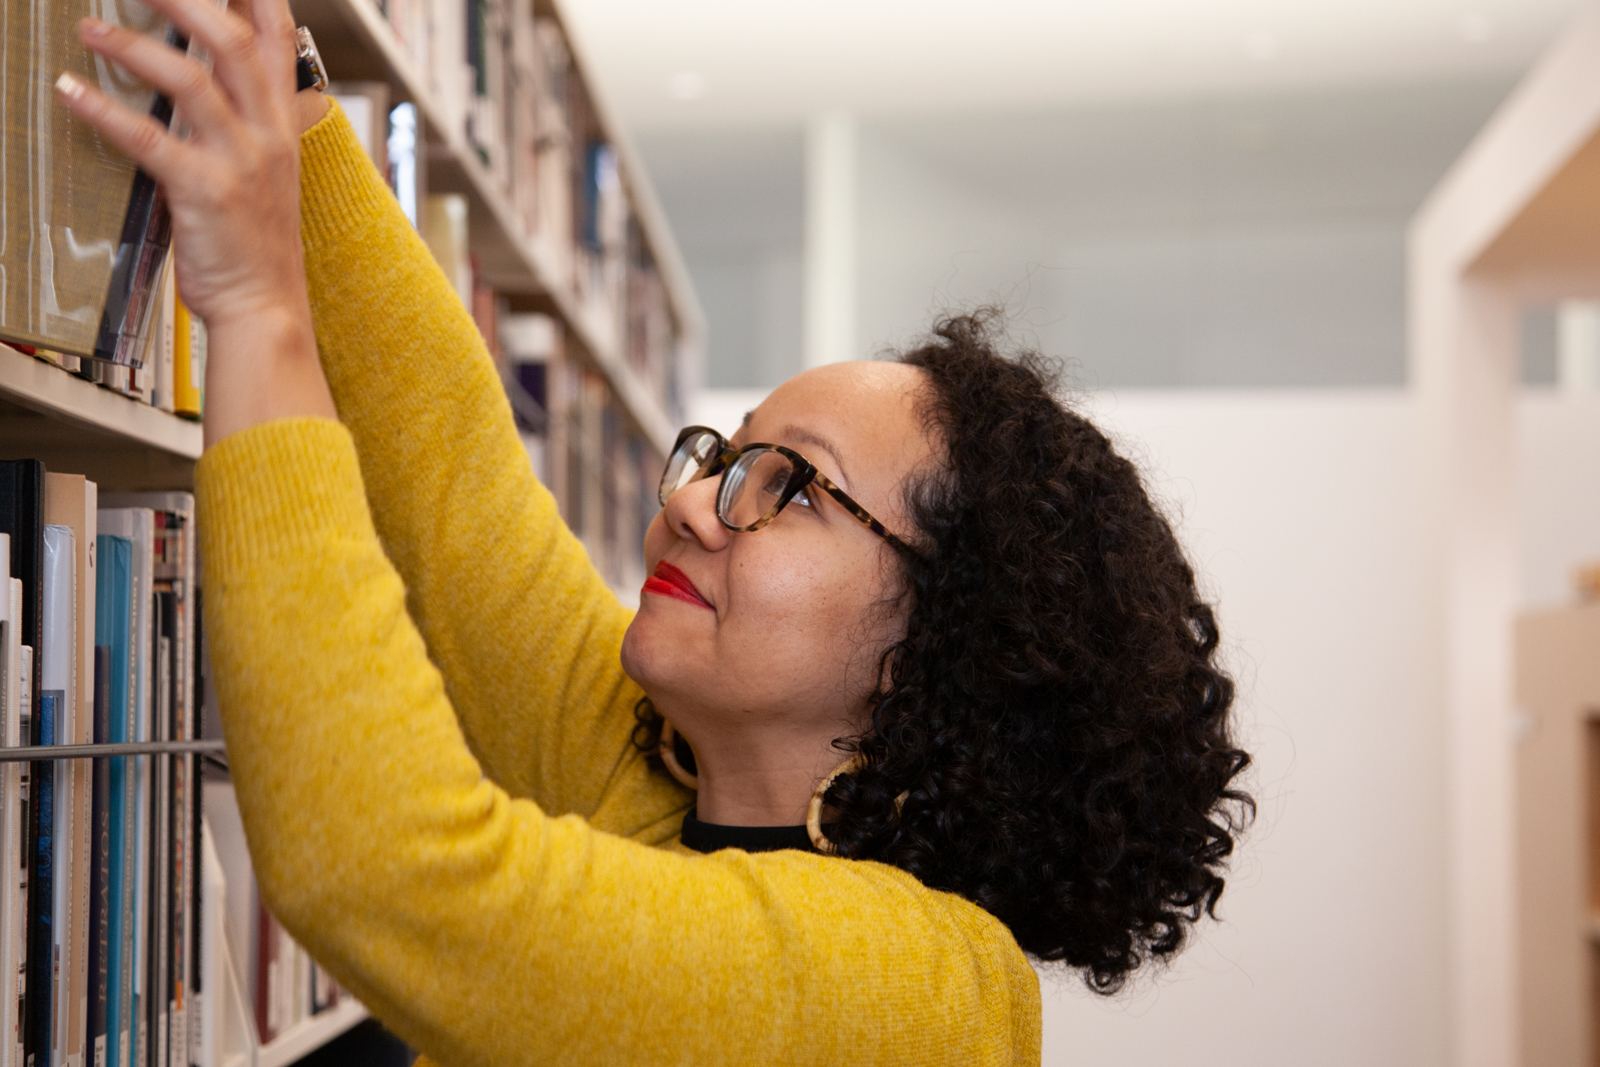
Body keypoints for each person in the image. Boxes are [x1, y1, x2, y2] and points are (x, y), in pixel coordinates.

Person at [56, 1, 1252, 1064]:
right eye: (722, 456)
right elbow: (452, 483)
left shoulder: (925, 985)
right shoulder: (654, 782)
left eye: (786, 487)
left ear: (941, 638)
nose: (687, 503)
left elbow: (387, 869)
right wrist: (290, 94)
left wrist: (259, 314)